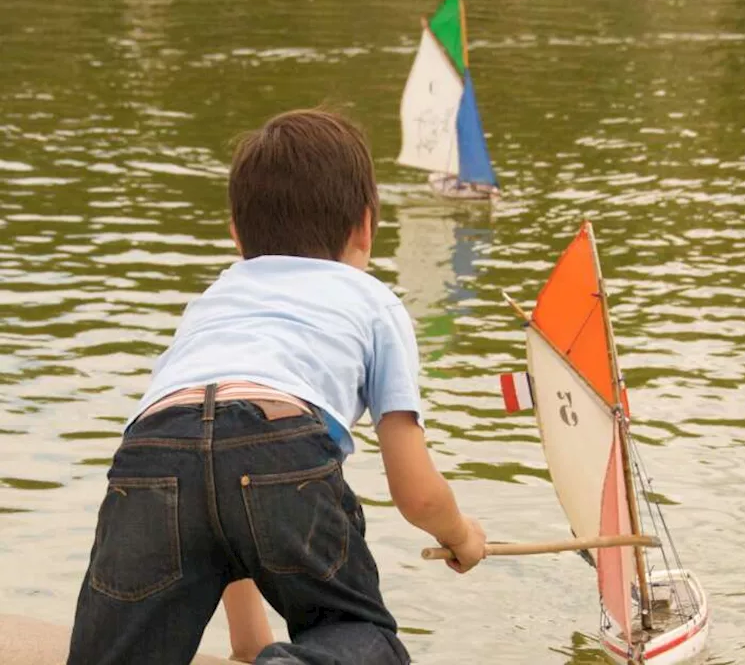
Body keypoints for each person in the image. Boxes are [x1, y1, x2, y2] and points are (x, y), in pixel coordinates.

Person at [67, 108, 486, 665]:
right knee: (361, 638)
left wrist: (250, 647)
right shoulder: (374, 302)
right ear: (365, 226)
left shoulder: (213, 301)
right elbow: (416, 492)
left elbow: (211, 479)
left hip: (151, 454)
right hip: (279, 442)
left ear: (237, 234)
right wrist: (461, 534)